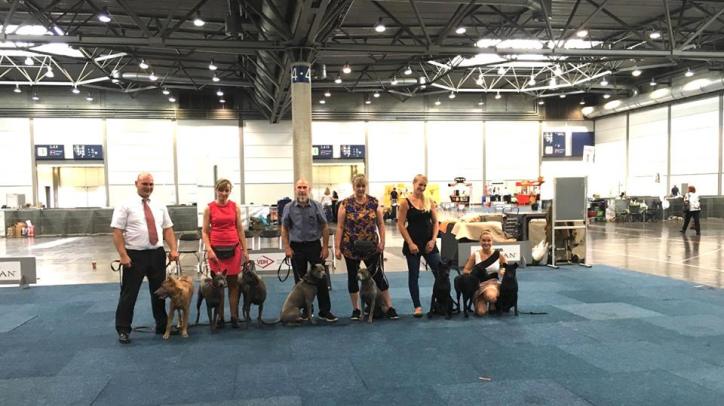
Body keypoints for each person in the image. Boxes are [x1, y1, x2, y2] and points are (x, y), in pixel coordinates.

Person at [111, 172, 178, 344]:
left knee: (160, 292)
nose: (148, 187)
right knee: (129, 294)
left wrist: (173, 249)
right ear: (136, 184)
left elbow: (168, 229)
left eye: (151, 184)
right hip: (134, 255)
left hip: (157, 254)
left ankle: (162, 325)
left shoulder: (160, 205)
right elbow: (117, 232)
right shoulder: (125, 204)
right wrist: (123, 255)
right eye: (145, 184)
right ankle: (123, 329)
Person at [335, 174, 398, 320]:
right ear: (353, 187)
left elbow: (381, 224)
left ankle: (389, 307)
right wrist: (337, 247)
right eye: (358, 186)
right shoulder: (345, 204)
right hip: (351, 247)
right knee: (352, 278)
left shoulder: (374, 202)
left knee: (378, 275)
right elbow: (340, 227)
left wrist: (382, 241)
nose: (361, 189)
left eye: (363, 186)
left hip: (371, 247)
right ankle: (356, 310)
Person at [281, 178, 338, 322]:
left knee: (321, 279)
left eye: (304, 187)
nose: (302, 190)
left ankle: (324, 311)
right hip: (296, 248)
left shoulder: (316, 206)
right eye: (299, 187)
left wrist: (325, 247)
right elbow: (284, 228)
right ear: (295, 189)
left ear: (309, 189)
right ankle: (306, 312)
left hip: (314, 246)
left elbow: (324, 226)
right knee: (300, 282)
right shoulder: (288, 207)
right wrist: (287, 247)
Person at [201, 178, 248, 328]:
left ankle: (234, 317)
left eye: (227, 190)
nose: (223, 193)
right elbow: (204, 231)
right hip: (215, 252)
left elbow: (240, 229)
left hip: (234, 250)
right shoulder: (209, 208)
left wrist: (245, 250)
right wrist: (209, 249)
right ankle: (220, 317)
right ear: (216, 190)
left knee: (234, 284)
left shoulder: (235, 207)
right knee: (218, 286)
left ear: (230, 191)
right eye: (221, 190)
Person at [398, 174, 441, 318]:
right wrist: (410, 243)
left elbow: (436, 222)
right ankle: (417, 306)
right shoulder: (405, 203)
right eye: (420, 185)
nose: (422, 188)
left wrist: (433, 240)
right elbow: (401, 225)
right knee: (414, 275)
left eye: (424, 185)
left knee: (440, 273)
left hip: (429, 243)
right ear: (414, 184)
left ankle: (440, 302)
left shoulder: (429, 201)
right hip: (413, 244)